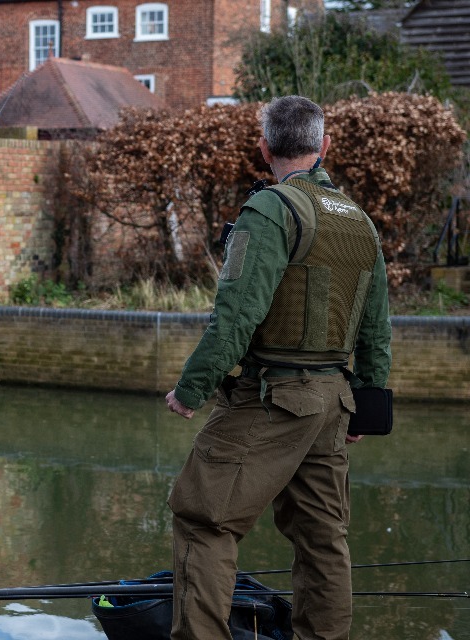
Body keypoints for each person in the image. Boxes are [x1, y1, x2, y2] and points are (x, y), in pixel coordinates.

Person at [164, 95, 391, 640]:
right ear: (323, 145)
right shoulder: (360, 222)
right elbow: (377, 329)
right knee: (322, 537)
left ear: (264, 148)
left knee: (204, 520)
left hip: (272, 398)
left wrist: (191, 389)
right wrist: (367, 408)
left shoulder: (270, 210)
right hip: (333, 405)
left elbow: (236, 316)